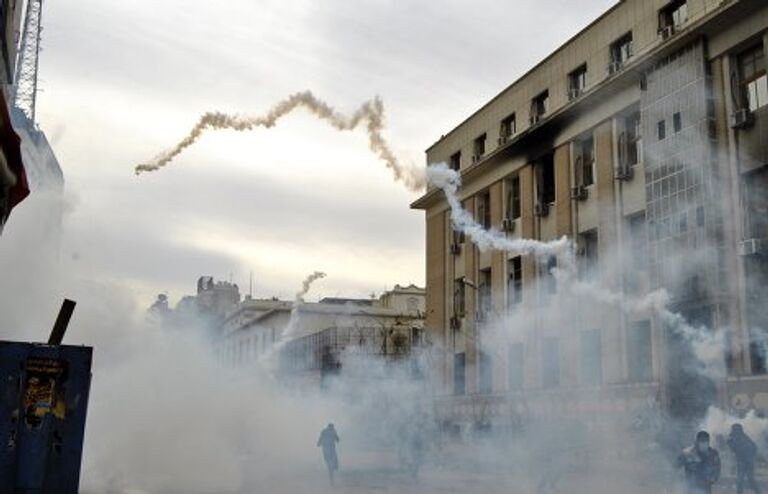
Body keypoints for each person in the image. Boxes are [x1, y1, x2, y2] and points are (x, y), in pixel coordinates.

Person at [728, 423, 762, 494]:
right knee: (740, 481)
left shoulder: (744, 437)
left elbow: (754, 447)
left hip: (747, 462)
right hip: (742, 462)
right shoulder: (734, 438)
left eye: (735, 430)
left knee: (749, 480)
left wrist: (751, 456)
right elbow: (734, 450)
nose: (734, 432)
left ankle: (758, 492)